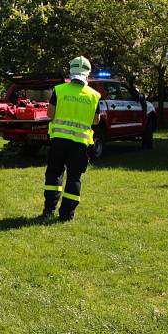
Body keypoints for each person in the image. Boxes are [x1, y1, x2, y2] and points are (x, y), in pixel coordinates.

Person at [41, 56, 101, 221]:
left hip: (59, 140)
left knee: (54, 174)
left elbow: (50, 114)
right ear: (87, 74)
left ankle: (49, 210)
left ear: (71, 72)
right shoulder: (94, 95)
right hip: (80, 144)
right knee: (74, 177)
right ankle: (66, 215)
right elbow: (96, 121)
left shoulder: (59, 90)